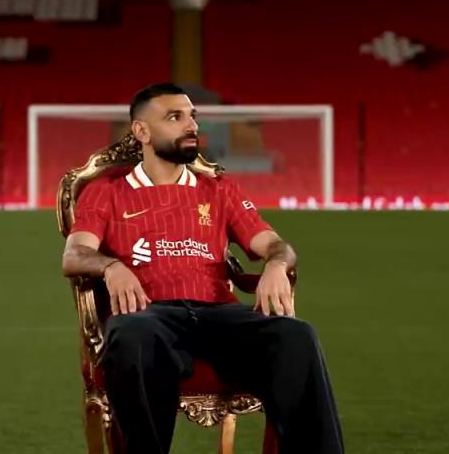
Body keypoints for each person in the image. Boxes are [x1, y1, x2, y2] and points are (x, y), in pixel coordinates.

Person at [62, 82, 345, 454]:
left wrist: (277, 264)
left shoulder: (218, 188)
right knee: (131, 335)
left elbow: (276, 245)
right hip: (151, 315)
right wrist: (112, 266)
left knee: (297, 336)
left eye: (192, 116)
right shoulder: (106, 190)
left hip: (219, 315)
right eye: (175, 117)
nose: (191, 125)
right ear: (141, 131)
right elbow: (75, 255)